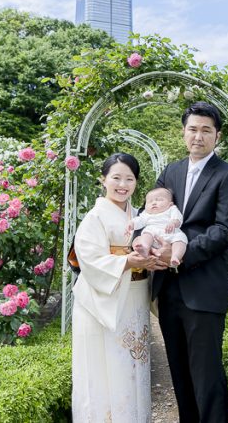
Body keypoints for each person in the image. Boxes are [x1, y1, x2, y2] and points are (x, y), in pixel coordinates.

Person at [152, 101, 228, 423]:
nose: (198, 136)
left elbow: (225, 230)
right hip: (168, 287)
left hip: (204, 289)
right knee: (178, 371)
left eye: (206, 130)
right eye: (192, 129)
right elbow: (154, 215)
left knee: (206, 374)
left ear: (217, 136)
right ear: (183, 133)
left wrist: (181, 253)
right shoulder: (170, 173)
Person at [72, 152, 165, 423]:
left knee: (133, 366)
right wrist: (127, 261)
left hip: (134, 297)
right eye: (116, 178)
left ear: (137, 182)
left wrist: (152, 261)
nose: (122, 184)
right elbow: (89, 259)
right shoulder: (95, 218)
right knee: (103, 370)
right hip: (102, 302)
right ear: (104, 180)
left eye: (129, 178)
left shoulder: (140, 217)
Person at [128, 187, 188, 268]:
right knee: (146, 234)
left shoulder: (172, 209)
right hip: (153, 233)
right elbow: (139, 220)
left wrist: (173, 222)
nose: (154, 203)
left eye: (159, 200)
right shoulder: (146, 213)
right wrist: (132, 224)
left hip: (171, 233)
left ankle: (175, 256)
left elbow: (178, 218)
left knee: (181, 239)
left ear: (170, 204)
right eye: (149, 201)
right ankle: (145, 248)